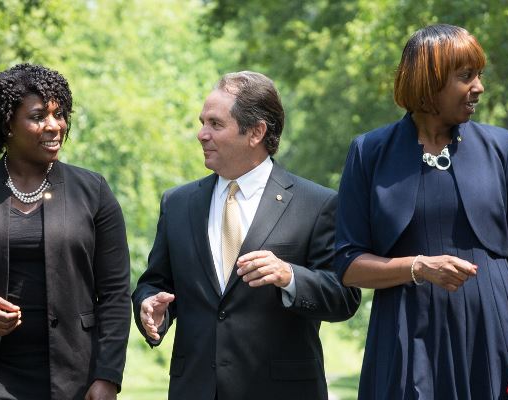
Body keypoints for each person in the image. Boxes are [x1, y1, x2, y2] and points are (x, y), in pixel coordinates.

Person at [332, 24, 508, 400]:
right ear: (428, 82)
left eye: (479, 75)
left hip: (495, 340)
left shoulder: (502, 147)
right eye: (466, 76)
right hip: (405, 343)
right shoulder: (369, 152)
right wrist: (418, 267)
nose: (479, 87)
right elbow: (348, 264)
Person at [133, 71, 361, 400]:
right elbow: (155, 283)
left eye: (215, 124)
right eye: (202, 122)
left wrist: (289, 276)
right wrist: (150, 306)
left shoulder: (316, 204)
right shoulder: (177, 203)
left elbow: (344, 297)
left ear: (256, 132)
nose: (201, 134)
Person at [0, 63, 129, 399]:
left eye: (60, 115)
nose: (54, 126)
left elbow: (115, 294)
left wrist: (108, 375)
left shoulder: (92, 190)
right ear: (7, 124)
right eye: (38, 116)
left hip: (74, 377)